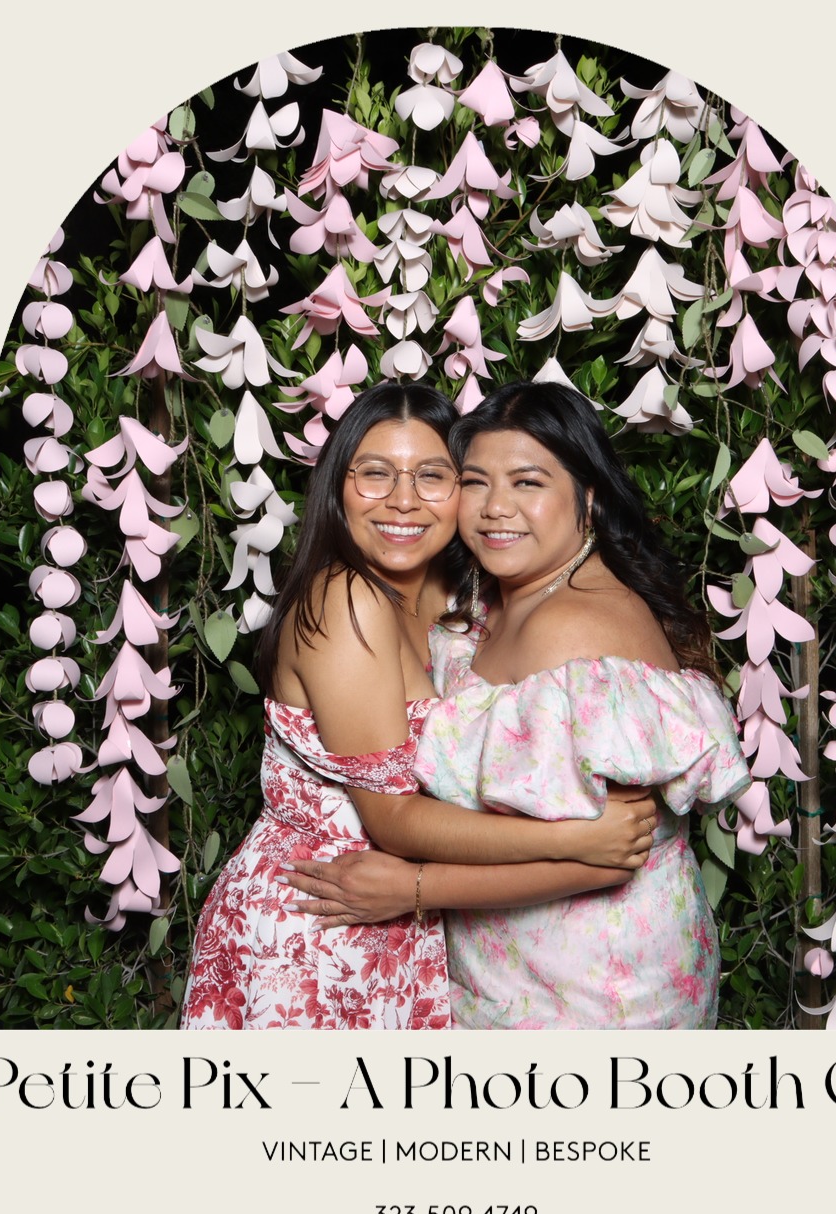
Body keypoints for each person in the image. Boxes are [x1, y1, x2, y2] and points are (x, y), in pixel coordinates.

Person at [180, 382, 656, 1030]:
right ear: (338, 487)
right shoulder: (345, 601)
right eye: (375, 473)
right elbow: (394, 821)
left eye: (431, 476)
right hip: (316, 925)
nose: (403, 500)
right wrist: (577, 840)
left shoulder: (455, 593)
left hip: (403, 924)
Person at [287, 380, 751, 1029]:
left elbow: (606, 855)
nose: (495, 509)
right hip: (515, 971)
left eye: (528, 483)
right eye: (476, 483)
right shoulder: (496, 594)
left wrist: (412, 889)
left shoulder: (575, 630)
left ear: (588, 496)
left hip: (595, 987)